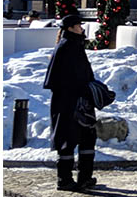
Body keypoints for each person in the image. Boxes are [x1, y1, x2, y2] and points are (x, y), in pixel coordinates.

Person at [43, 14, 97, 191]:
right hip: (69, 104)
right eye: (79, 25)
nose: (82, 28)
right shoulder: (68, 47)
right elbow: (63, 79)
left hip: (79, 102)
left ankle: (85, 178)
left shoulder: (73, 45)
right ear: (71, 28)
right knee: (68, 139)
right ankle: (64, 179)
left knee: (87, 138)